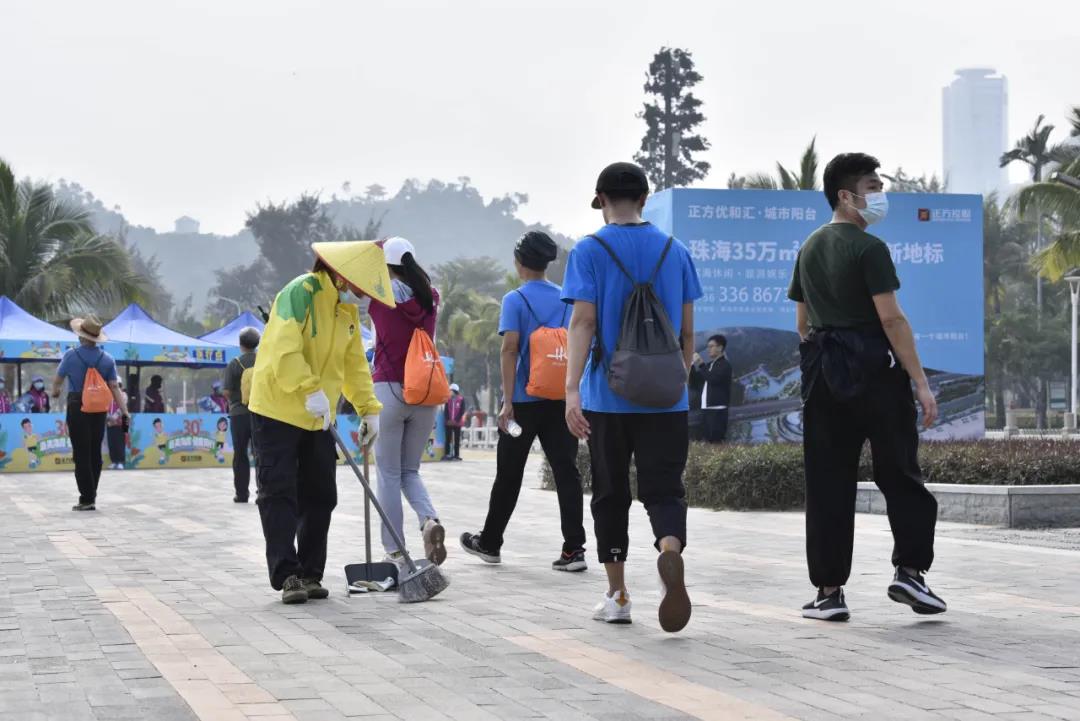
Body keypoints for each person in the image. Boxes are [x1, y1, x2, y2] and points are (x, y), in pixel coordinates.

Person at [789, 152, 944, 622]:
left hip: (823, 374)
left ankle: (829, 593)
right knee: (899, 473)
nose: (880, 196)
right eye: (872, 188)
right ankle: (910, 572)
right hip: (874, 370)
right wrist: (920, 382)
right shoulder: (868, 248)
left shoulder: (809, 247)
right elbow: (891, 319)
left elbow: (802, 323)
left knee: (828, 482)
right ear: (846, 195)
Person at [562, 162, 702, 632]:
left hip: (607, 396)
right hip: (667, 398)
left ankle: (618, 595)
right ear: (645, 198)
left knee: (610, 492)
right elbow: (687, 333)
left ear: (601, 199)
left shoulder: (589, 250)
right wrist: (676, 380)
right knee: (665, 489)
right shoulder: (675, 250)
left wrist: (571, 390)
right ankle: (669, 549)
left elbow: (583, 322)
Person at [248, 241, 386, 604]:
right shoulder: (300, 292)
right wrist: (309, 388)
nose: (364, 294)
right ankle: (288, 575)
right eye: (361, 284)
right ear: (343, 274)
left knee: (321, 494)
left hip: (318, 417)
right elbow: (283, 349)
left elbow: (354, 365)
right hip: (277, 408)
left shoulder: (346, 311)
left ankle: (311, 573)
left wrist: (368, 409)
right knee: (278, 492)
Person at [460, 231, 587, 571]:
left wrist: (506, 401)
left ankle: (490, 543)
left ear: (519, 263)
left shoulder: (514, 299)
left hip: (522, 402)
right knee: (567, 472)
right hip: (559, 399)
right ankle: (574, 549)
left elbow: (509, 349)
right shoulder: (566, 299)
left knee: (509, 473)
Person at [367, 236, 447, 569]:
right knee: (409, 471)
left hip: (388, 389)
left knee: (387, 473)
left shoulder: (379, 298)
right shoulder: (432, 298)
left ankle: (395, 551)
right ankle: (428, 520)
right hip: (425, 391)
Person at [52, 316, 128, 511]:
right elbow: (114, 387)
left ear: (81, 336)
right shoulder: (107, 359)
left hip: (78, 406)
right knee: (95, 451)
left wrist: (55, 391)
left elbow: (58, 380)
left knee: (81, 452)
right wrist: (125, 411)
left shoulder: (71, 355)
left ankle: (87, 498)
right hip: (99, 408)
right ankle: (91, 493)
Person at [223, 327, 260, 502]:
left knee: (240, 454)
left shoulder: (234, 363)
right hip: (261, 413)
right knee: (261, 453)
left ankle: (242, 494)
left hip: (239, 413)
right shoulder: (264, 360)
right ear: (257, 343)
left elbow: (227, 392)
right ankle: (263, 491)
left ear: (240, 344)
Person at [689, 335, 733, 443]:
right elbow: (696, 382)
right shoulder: (709, 366)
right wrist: (691, 365)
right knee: (707, 441)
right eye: (708, 347)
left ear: (720, 347)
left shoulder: (725, 365)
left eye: (711, 346)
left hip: (718, 411)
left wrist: (700, 363)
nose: (708, 349)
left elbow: (712, 379)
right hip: (706, 410)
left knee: (716, 442)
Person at [106, 379, 129, 470]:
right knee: (111, 442)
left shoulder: (124, 395)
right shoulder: (108, 395)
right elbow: (105, 407)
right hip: (110, 422)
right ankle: (114, 461)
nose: (114, 387)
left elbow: (122, 408)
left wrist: (114, 417)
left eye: (117, 384)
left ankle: (121, 462)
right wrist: (109, 417)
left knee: (120, 442)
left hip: (121, 422)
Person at [443, 384, 466, 461]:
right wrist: (448, 420)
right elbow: (446, 410)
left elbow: (462, 411)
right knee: (448, 439)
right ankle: (447, 454)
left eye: (450, 390)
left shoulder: (461, 399)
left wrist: (456, 420)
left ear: (454, 391)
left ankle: (456, 455)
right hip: (449, 423)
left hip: (457, 423)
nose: (449, 392)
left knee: (457, 439)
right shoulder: (447, 399)